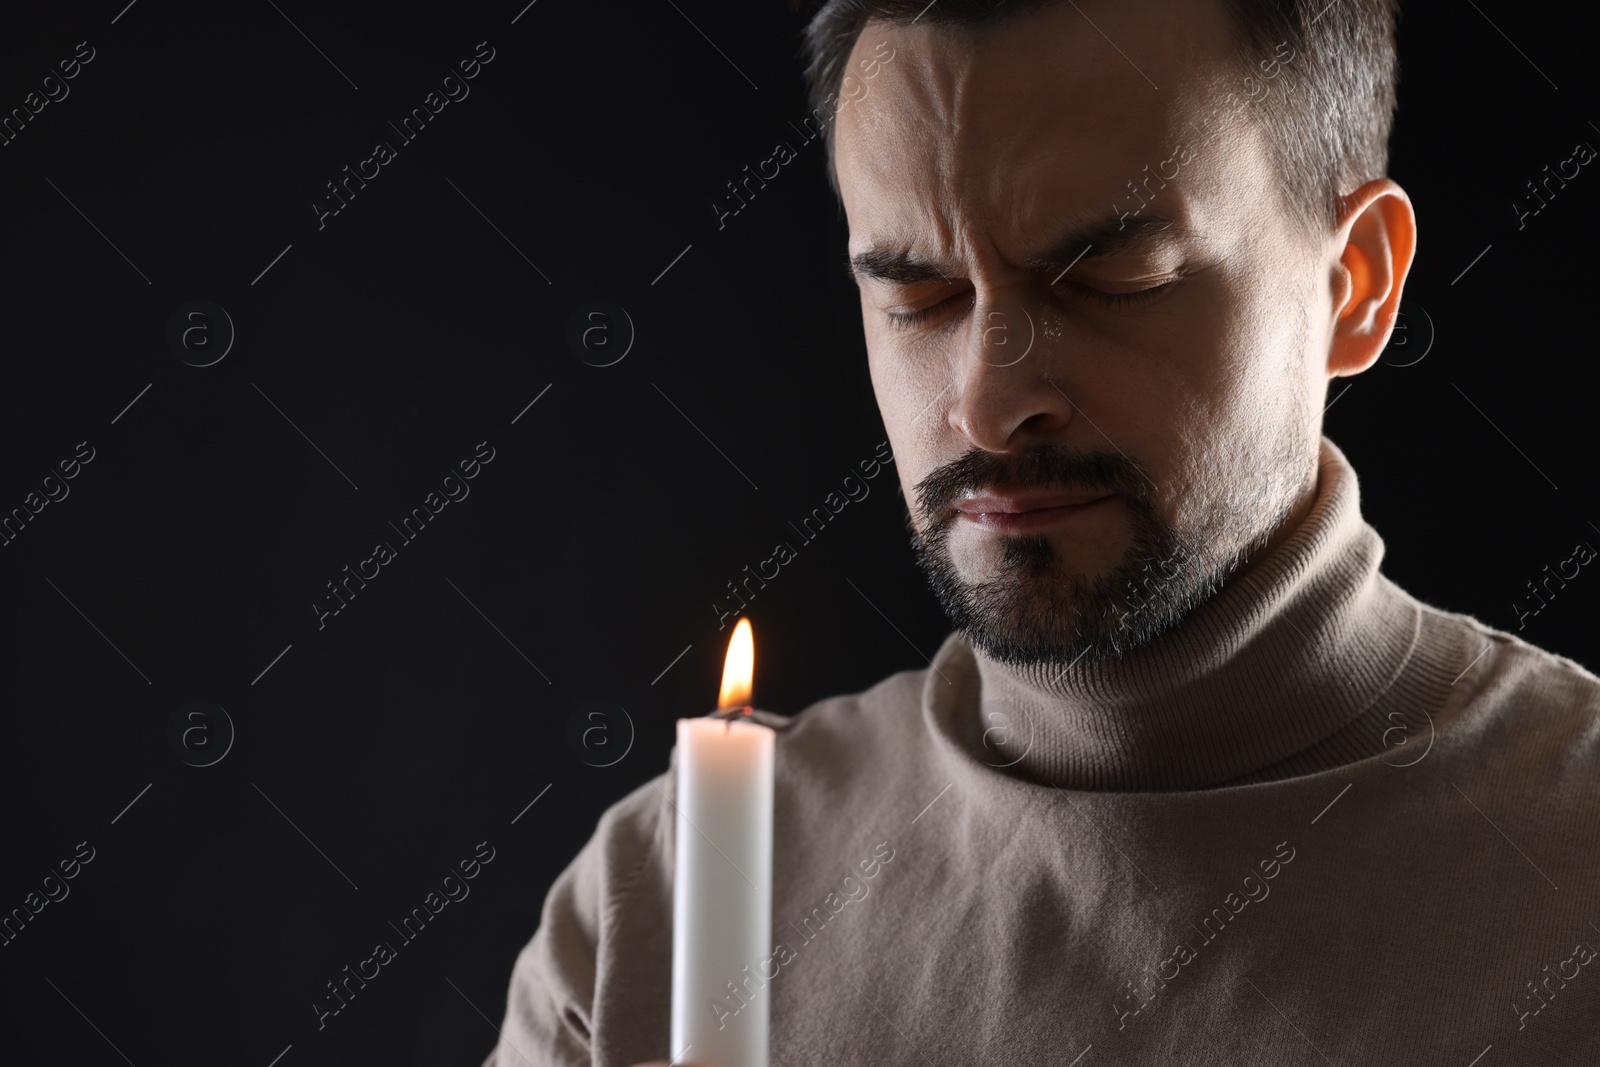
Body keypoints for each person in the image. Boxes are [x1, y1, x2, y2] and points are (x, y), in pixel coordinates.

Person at [482, 0, 1600, 1062]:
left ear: (1354, 284)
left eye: (1108, 274)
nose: (982, 401)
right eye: (917, 294)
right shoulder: (666, 903)